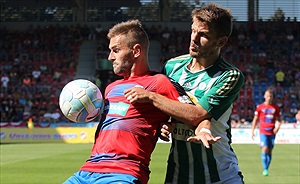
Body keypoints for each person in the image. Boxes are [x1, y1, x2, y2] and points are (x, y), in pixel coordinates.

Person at [64, 20, 216, 184]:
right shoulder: (110, 88)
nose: (110, 57)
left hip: (123, 172)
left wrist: (203, 131)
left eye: (116, 50)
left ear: (136, 50)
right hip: (88, 170)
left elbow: (195, 115)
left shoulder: (158, 83)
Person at [125, 3, 245, 184]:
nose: (193, 39)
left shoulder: (230, 75)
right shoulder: (172, 67)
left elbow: (197, 115)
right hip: (177, 176)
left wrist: (150, 96)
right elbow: (167, 110)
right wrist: (165, 124)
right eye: (193, 31)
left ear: (221, 42)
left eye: (203, 34)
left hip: (221, 176)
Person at [251, 89, 282, 176]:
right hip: (263, 131)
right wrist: (252, 131)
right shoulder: (260, 107)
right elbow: (255, 119)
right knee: (264, 148)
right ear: (264, 96)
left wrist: (277, 127)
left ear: (272, 97)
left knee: (270, 150)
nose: (269, 98)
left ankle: (267, 167)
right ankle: (265, 169)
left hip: (272, 132)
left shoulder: (275, 108)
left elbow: (279, 120)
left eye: (270, 96)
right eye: (267, 96)